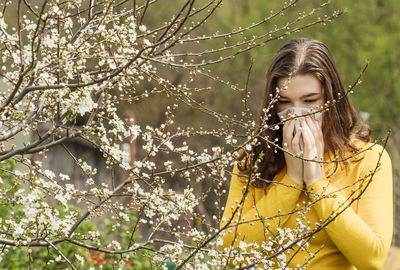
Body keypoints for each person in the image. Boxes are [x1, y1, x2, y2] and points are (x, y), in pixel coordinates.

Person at [220, 38, 393, 269]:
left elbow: (372, 259)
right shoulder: (255, 161)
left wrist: (315, 181)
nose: (297, 113)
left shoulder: (367, 159)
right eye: (284, 102)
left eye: (310, 100)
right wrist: (291, 180)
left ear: (332, 98)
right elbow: (230, 253)